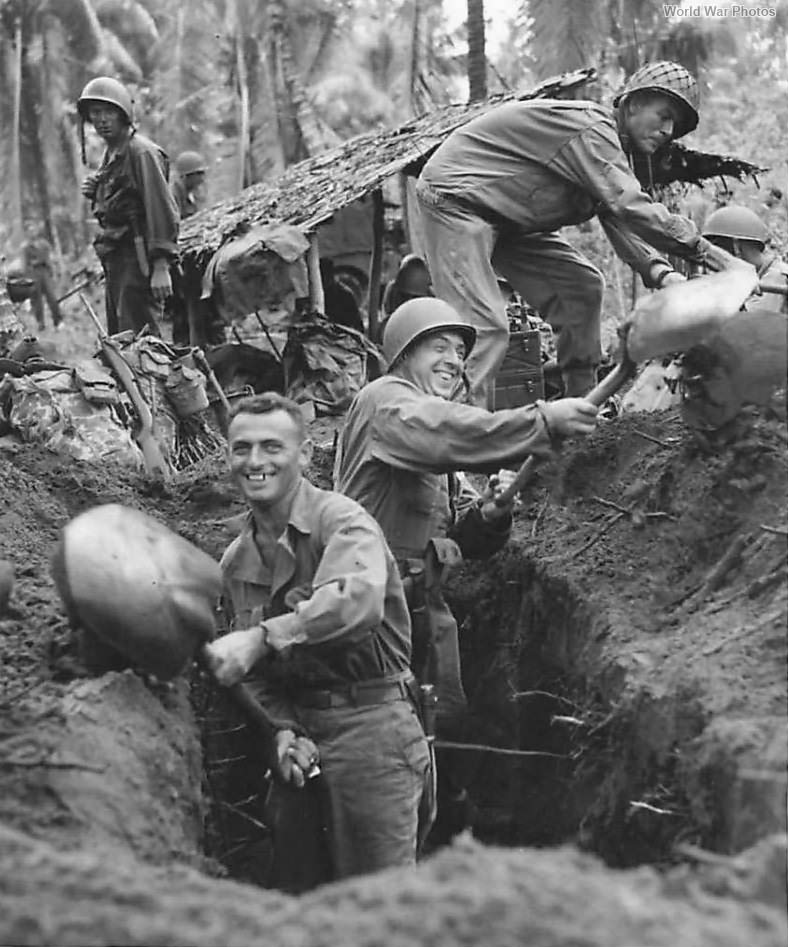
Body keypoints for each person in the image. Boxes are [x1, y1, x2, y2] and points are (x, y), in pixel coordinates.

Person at [333, 298, 598, 835]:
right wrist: (543, 420)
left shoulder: (426, 433)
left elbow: (456, 542)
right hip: (370, 609)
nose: (454, 360)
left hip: (424, 608)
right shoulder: (387, 403)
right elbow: (446, 432)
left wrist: (490, 514)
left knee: (446, 722)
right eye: (439, 347)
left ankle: (446, 830)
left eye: (460, 351)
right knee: (394, 738)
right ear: (404, 352)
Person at [203, 392, 429, 891]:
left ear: (304, 455)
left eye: (272, 447)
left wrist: (264, 637)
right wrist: (279, 730)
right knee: (304, 908)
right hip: (299, 744)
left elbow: (356, 601)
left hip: (372, 731)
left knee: (381, 910)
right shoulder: (235, 563)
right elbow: (246, 674)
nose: (255, 462)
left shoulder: (342, 522)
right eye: (242, 449)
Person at [415, 61, 722, 407]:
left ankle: (581, 410)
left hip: (506, 221)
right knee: (484, 328)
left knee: (582, 287)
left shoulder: (609, 154)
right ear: (633, 103)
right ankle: (456, 440)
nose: (668, 129)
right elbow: (629, 205)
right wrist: (710, 254)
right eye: (664, 115)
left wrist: (661, 273)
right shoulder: (591, 129)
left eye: (675, 125)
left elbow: (617, 216)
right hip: (455, 201)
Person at [78, 76, 179, 336]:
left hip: (139, 259)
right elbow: (120, 203)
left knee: (142, 344)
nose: (101, 119)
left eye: (109, 112)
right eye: (96, 112)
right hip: (117, 261)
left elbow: (160, 208)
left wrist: (160, 267)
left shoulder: (141, 152)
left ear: (123, 114)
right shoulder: (112, 153)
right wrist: (96, 191)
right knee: (122, 340)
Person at [702, 205, 788, 314]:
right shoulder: (754, 275)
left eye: (719, 246)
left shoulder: (777, 276)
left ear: (736, 246)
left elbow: (752, 325)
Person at [20, 223, 62, 330]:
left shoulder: (44, 244)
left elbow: (50, 259)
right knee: (36, 300)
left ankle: (58, 321)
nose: (32, 233)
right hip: (34, 273)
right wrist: (26, 279)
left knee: (51, 297)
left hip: (45, 271)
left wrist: (54, 271)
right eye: (30, 231)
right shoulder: (26, 247)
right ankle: (40, 323)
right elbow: (25, 264)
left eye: (34, 230)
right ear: (27, 233)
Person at [319, 258, 364, 333]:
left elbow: (357, 324)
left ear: (331, 275)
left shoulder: (344, 294)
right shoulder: (315, 293)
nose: (324, 279)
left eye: (325, 275)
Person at [171, 150, 208, 220]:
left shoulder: (192, 194)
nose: (202, 179)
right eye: (199, 174)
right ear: (185, 176)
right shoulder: (173, 197)